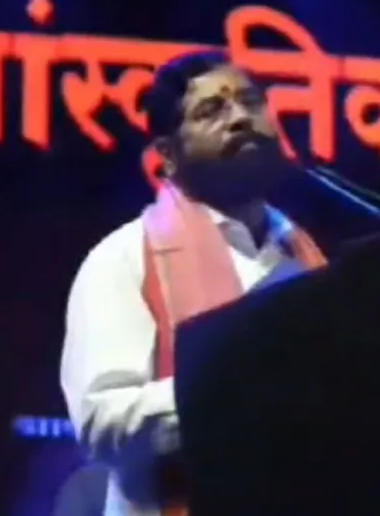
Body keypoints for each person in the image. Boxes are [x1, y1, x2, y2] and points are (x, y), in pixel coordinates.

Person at [59, 50, 328, 516]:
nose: (240, 117)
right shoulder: (124, 258)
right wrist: (238, 392)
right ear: (167, 155)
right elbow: (103, 420)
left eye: (251, 102)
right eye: (211, 111)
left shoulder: (310, 261)